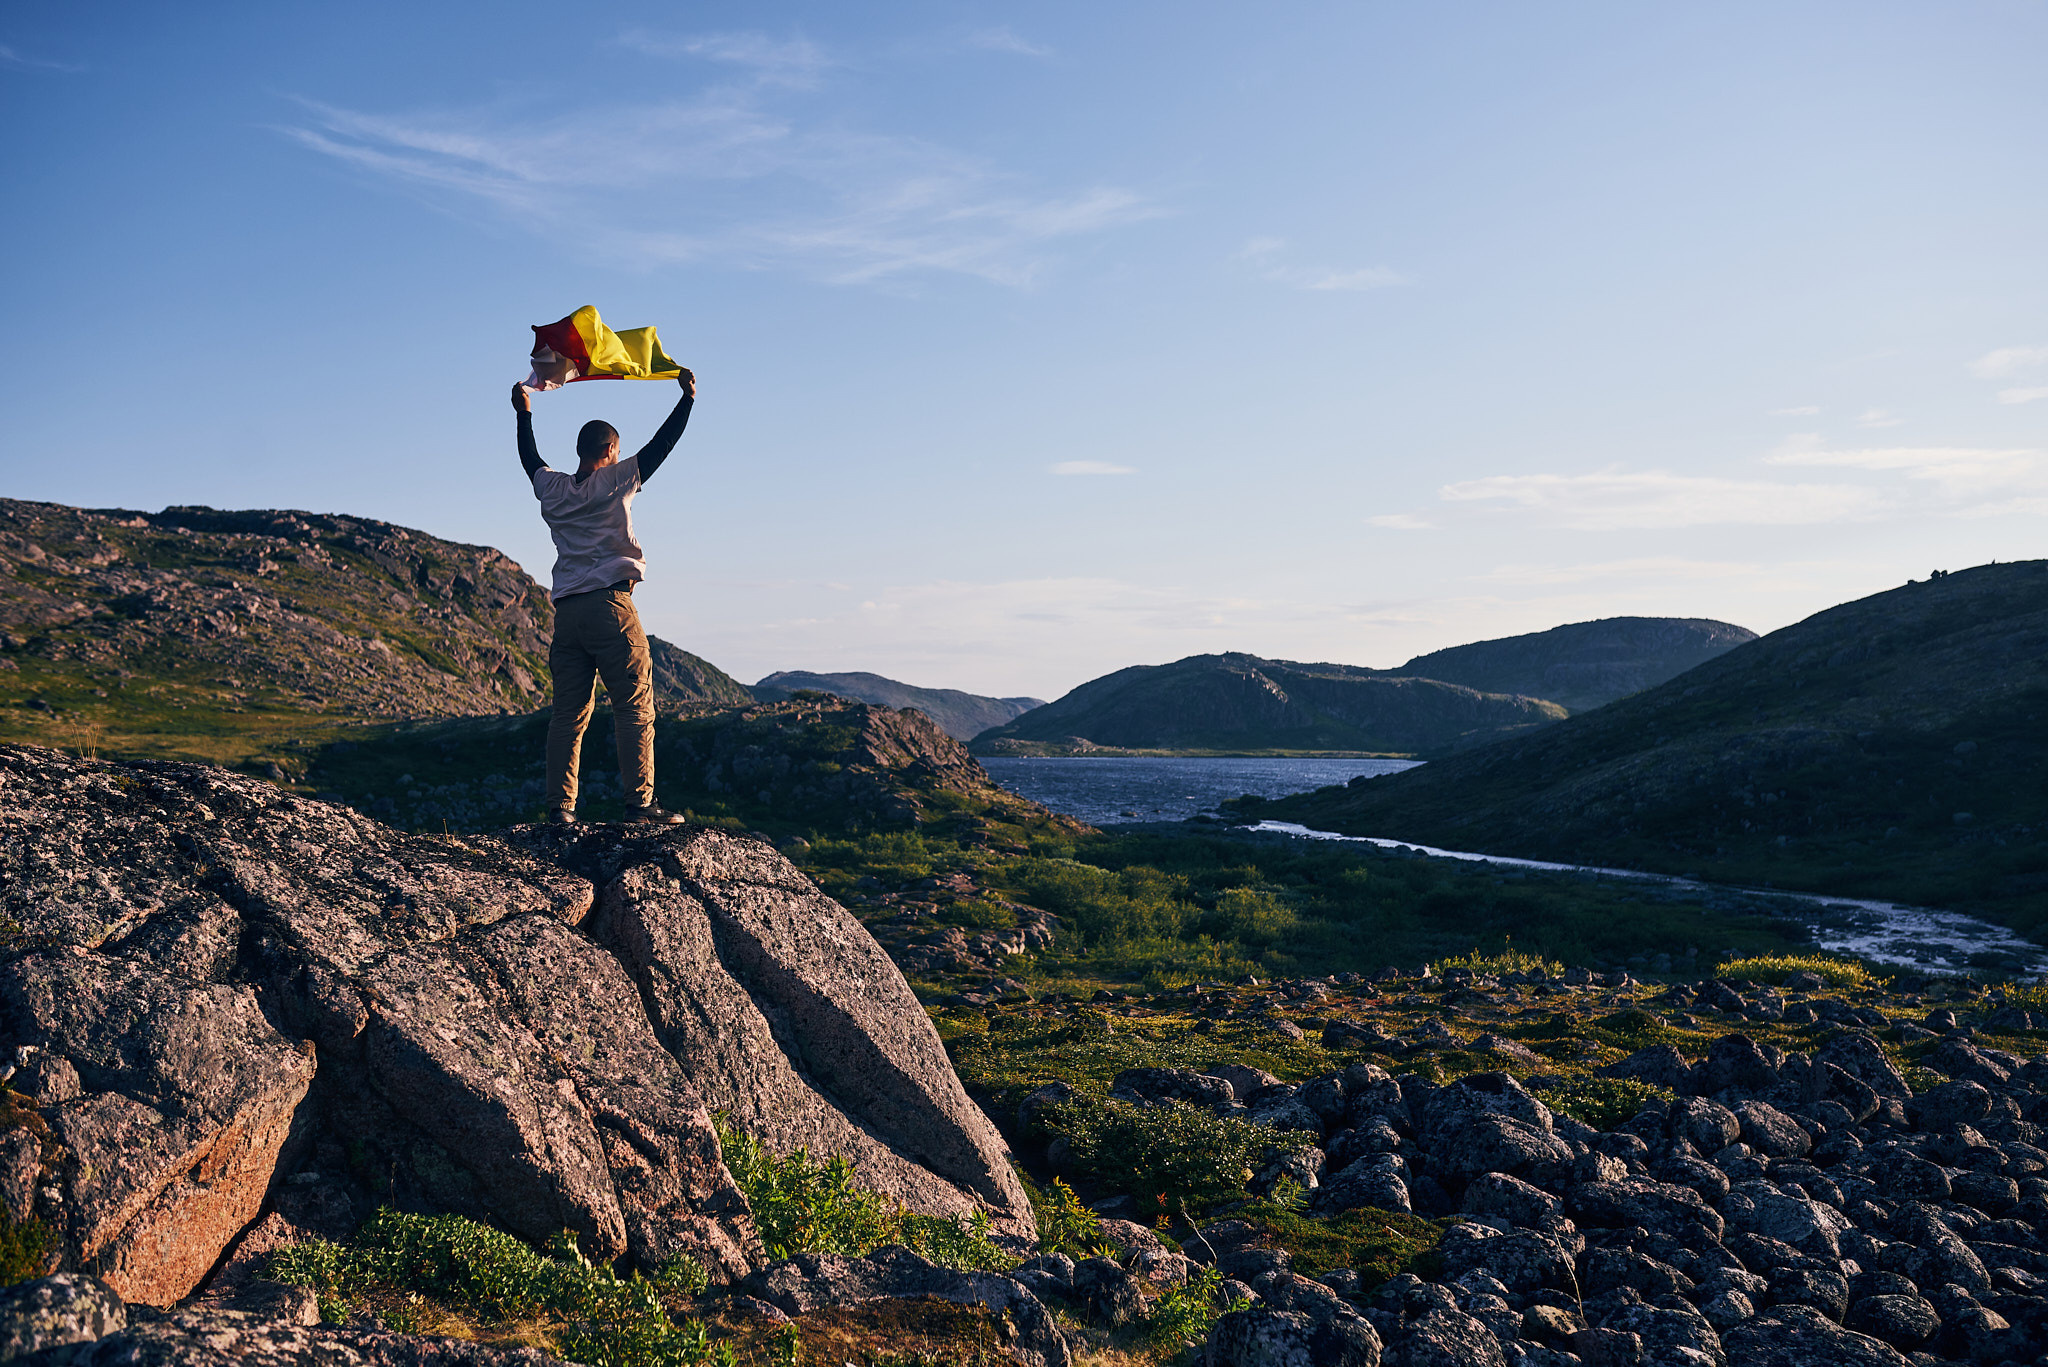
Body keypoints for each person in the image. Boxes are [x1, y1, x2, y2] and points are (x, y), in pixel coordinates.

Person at [512, 370, 696, 824]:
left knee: (568, 713)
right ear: (611, 451)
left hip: (567, 613)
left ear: (579, 450)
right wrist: (687, 400)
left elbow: (529, 460)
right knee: (634, 705)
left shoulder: (553, 490)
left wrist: (524, 415)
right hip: (610, 607)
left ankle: (560, 809)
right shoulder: (616, 480)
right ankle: (640, 804)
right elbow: (661, 448)